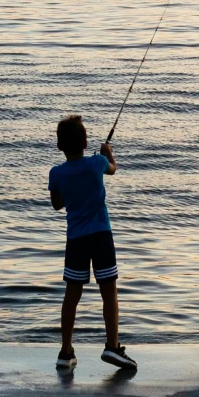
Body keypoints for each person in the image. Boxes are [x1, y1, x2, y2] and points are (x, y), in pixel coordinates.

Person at [48, 113, 134, 372]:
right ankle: (112, 345)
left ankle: (66, 351)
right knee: (109, 292)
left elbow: (57, 204)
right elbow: (113, 168)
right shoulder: (97, 163)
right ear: (86, 143)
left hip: (76, 239)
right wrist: (108, 152)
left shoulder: (57, 173)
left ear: (60, 146)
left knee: (72, 295)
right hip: (101, 236)